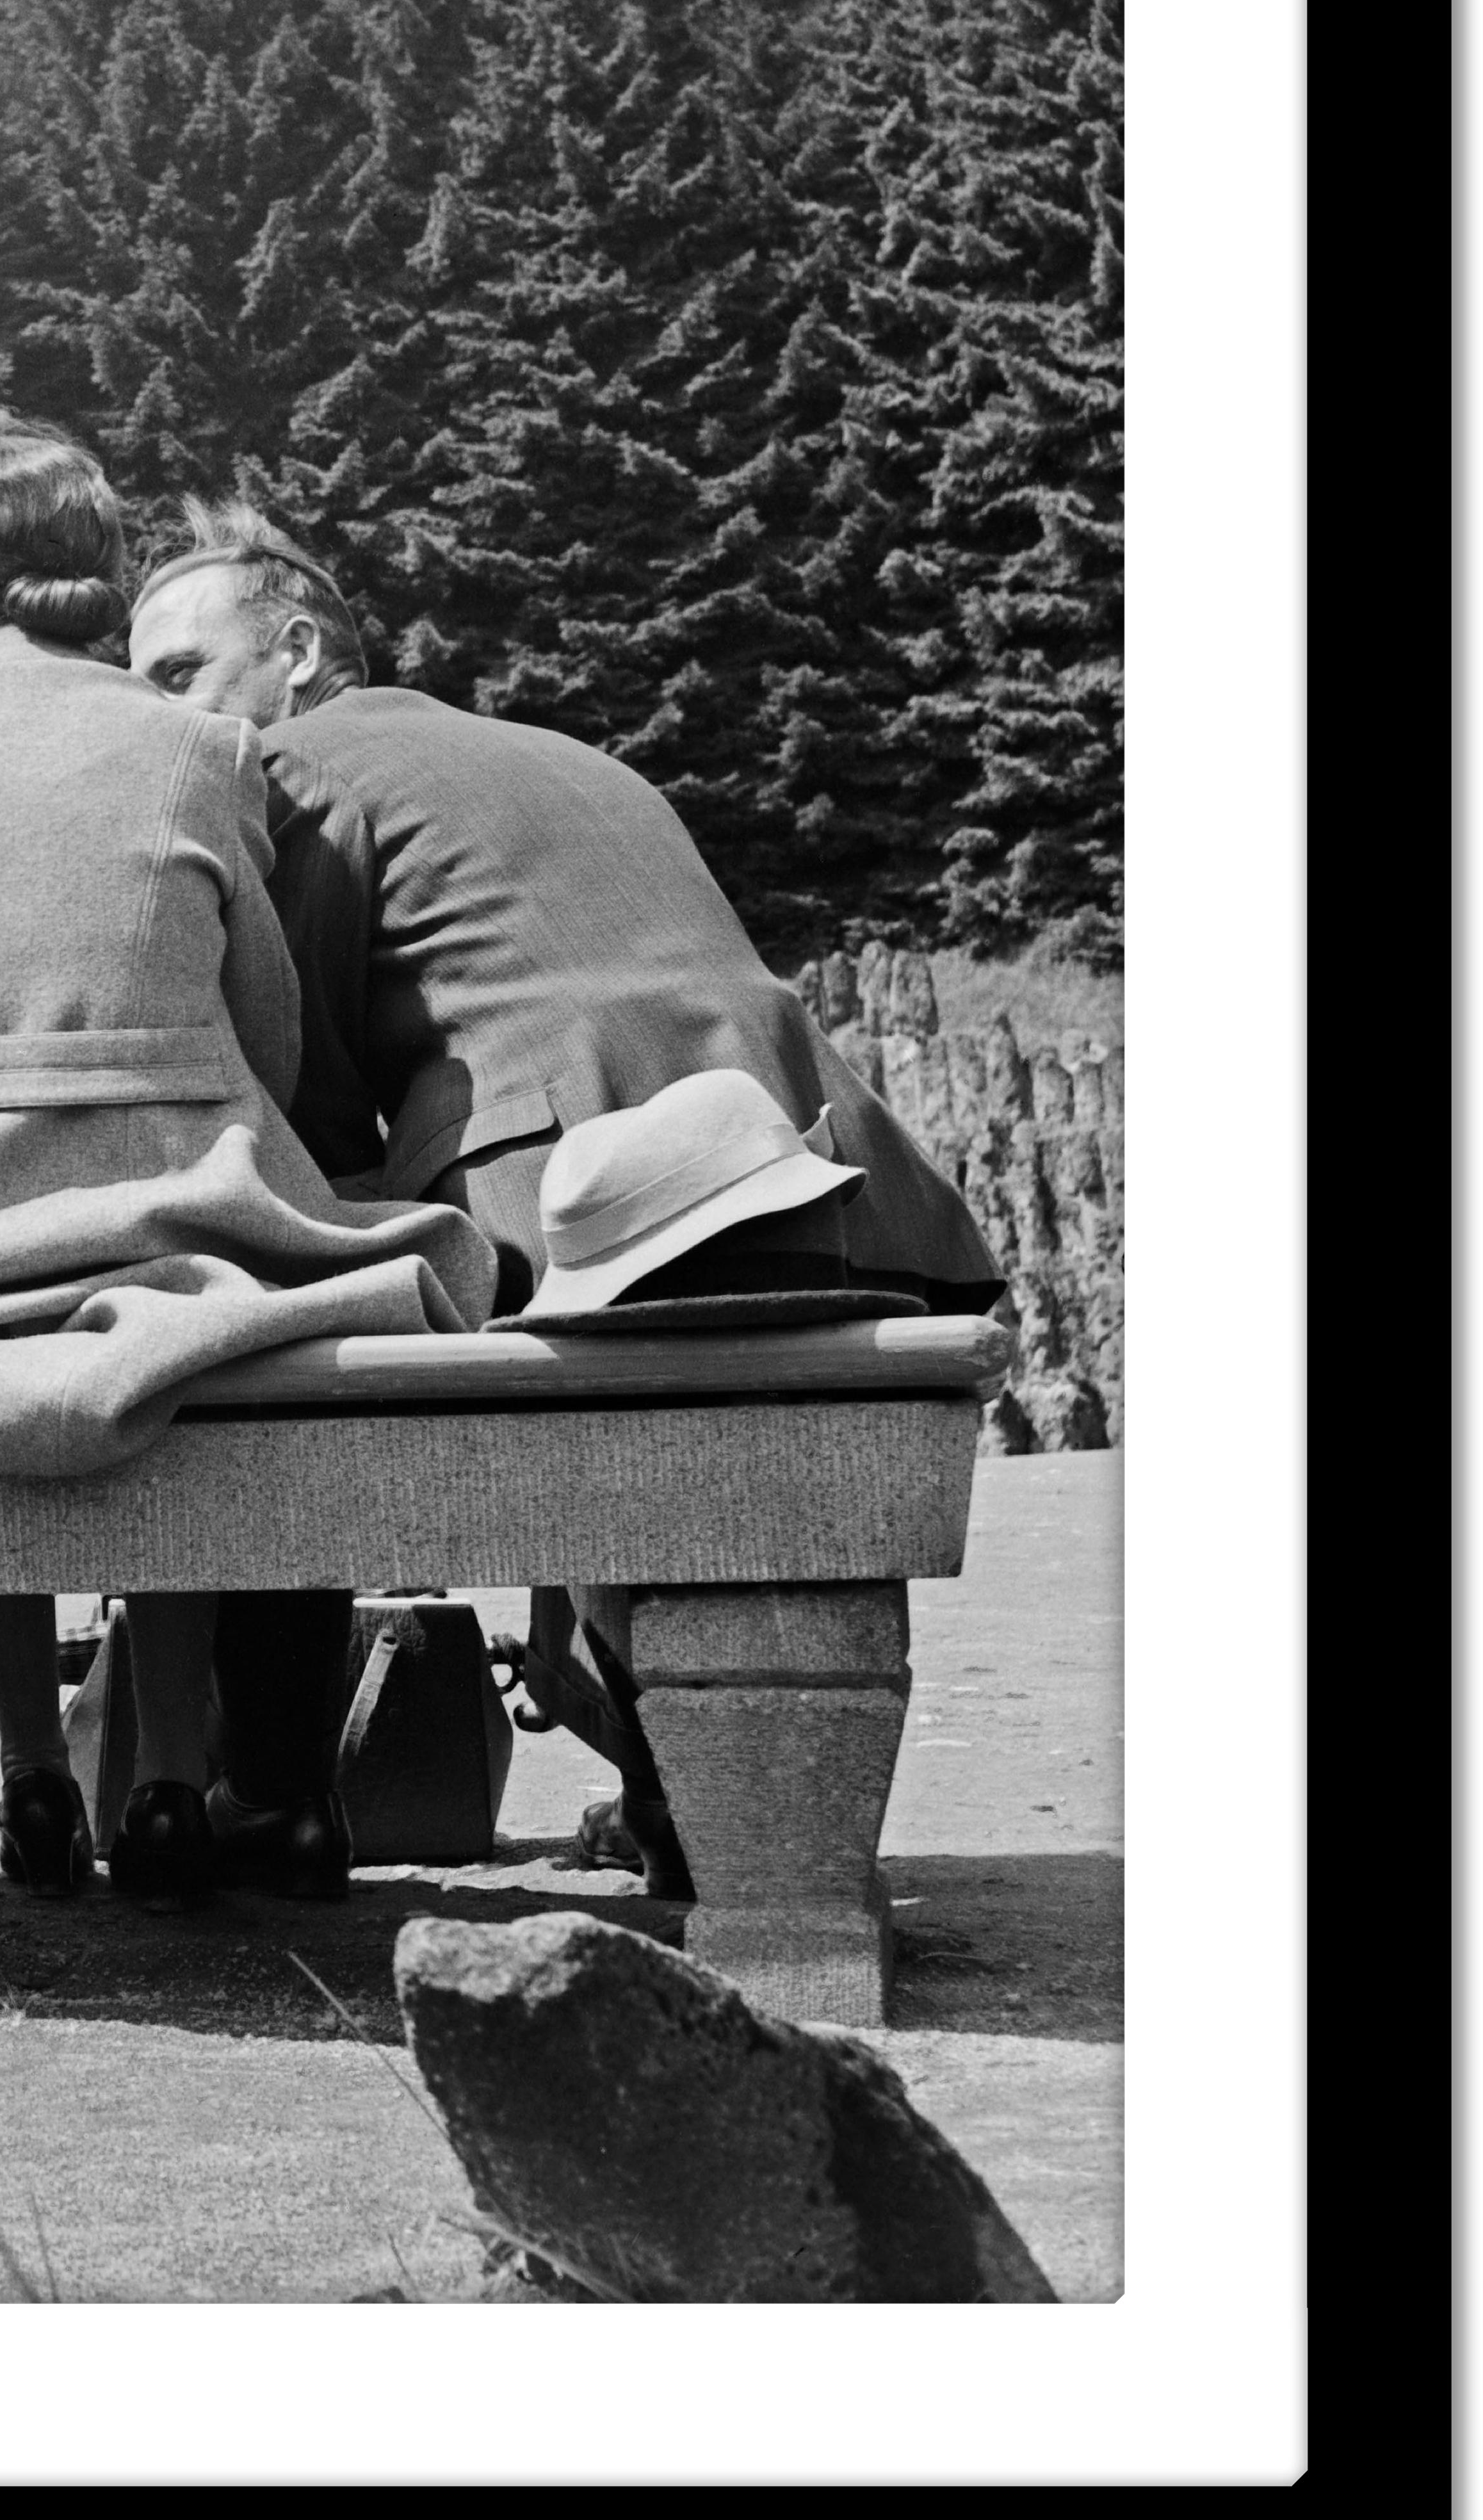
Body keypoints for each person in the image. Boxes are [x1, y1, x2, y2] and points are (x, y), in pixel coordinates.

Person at [127, 491, 1005, 1882]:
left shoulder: (288, 777)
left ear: (295, 651)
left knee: (258, 1320)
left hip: (564, 1181)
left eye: (177, 674)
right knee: (659, 1445)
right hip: (809, 1168)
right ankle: (689, 1811)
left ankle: (273, 1783)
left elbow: (301, 1108)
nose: (162, 714)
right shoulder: (562, 753)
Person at [0, 412, 496, 1910]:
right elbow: (261, 1031)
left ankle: (28, 1763)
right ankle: (156, 1779)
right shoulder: (197, 748)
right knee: (178, 1333)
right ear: (91, 579)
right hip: (163, 1215)